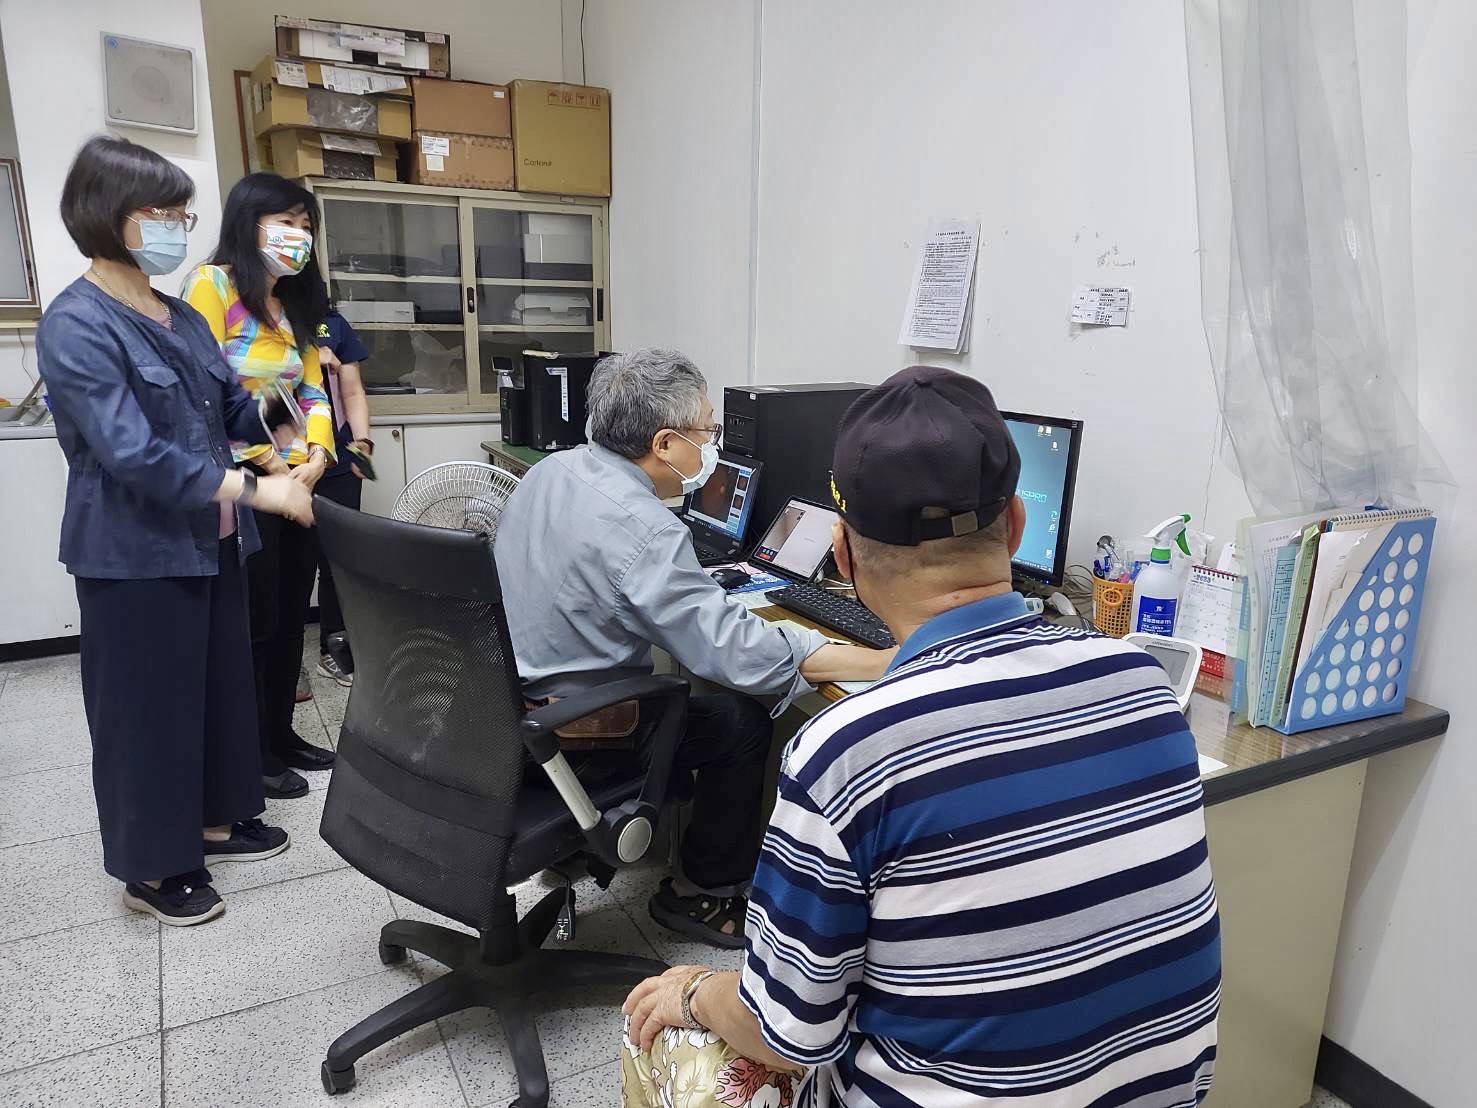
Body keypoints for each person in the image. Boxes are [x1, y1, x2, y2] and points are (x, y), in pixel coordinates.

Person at [620, 366, 1222, 1106]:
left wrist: (693, 990)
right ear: (1014, 526)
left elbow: (785, 1032)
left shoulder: (845, 751)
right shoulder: (1144, 683)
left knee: (670, 1036)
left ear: (841, 553)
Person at [494, 348, 892, 948]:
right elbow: (742, 655)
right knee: (739, 724)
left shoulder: (553, 470)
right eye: (708, 431)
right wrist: (884, 658)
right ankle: (698, 893)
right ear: (664, 444)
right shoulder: (644, 528)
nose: (713, 445)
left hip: (498, 718)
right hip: (569, 739)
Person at [37, 136, 312, 926]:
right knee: (146, 710)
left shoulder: (181, 315)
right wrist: (256, 488)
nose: (176, 229)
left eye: (180, 215)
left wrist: (289, 444)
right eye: (162, 213)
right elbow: (132, 452)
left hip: (213, 540)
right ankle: (152, 868)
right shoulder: (77, 323)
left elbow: (230, 406)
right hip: (134, 552)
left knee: (219, 688)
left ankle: (217, 821)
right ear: (108, 214)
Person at [184, 173, 338, 800]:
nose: (298, 235)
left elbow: (312, 390)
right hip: (245, 483)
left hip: (298, 479)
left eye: (306, 225)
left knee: (292, 615)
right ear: (248, 223)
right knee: (256, 620)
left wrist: (318, 456)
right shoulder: (213, 286)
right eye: (286, 222)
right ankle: (251, 753)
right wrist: (270, 464)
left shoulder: (295, 303)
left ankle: (281, 733)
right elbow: (205, 393)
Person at [309, 306, 373, 688]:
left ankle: (333, 648)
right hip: (284, 464)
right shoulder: (257, 318)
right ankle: (280, 661)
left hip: (339, 462)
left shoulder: (332, 323)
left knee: (340, 559)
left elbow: (352, 390)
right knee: (288, 564)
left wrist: (362, 446)